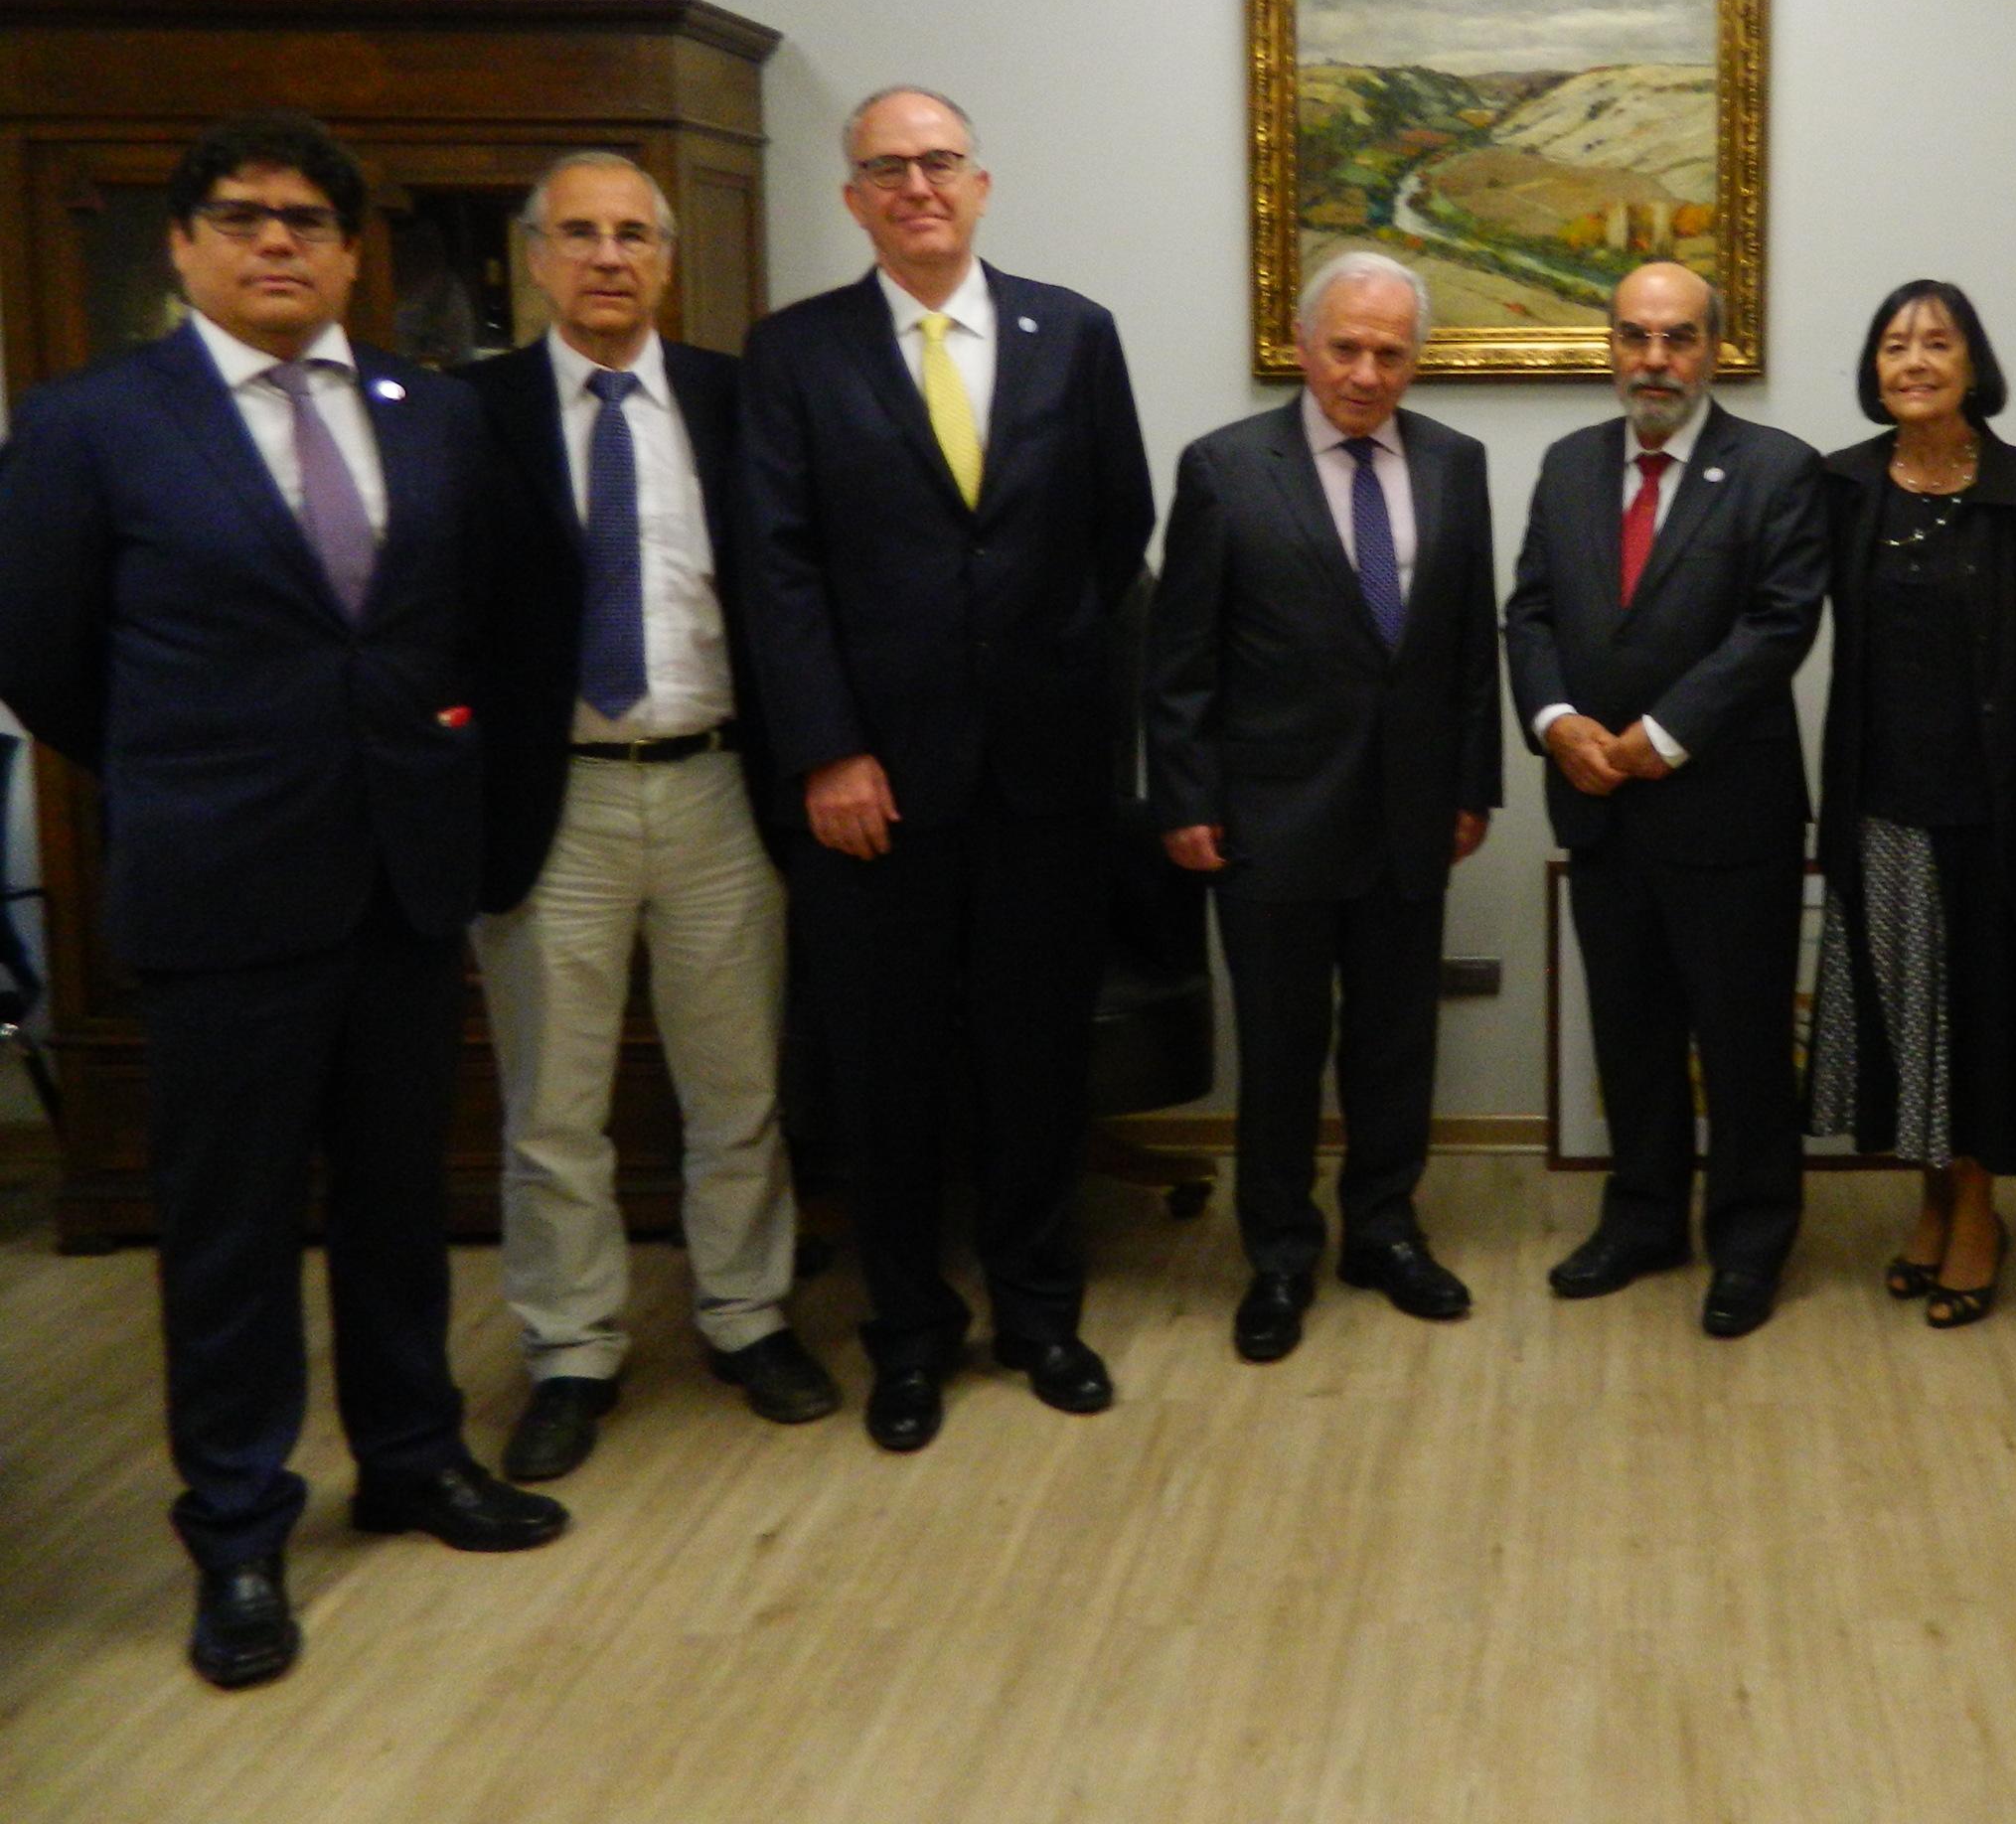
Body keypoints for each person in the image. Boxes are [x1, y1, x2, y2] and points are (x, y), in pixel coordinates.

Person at [0, 112, 563, 1692]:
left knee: (399, 1193)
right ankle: (239, 1528)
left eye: (311, 222)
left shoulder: (427, 415)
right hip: (224, 888)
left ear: (347, 249)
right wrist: (203, 770)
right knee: (233, 1228)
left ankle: (411, 1456)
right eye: (244, 217)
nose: (279, 244)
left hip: (400, 880)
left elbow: (477, 631)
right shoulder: (93, 421)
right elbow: (43, 657)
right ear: (182, 244)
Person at [739, 86, 1155, 1450]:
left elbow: (1115, 534)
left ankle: (1041, 1313)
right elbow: (778, 569)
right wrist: (830, 748)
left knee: (1038, 1061)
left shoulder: (1072, 334)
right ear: (855, 200)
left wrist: (1080, 713)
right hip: (873, 794)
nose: (917, 186)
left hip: (1043, 783)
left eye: (938, 163)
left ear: (980, 185)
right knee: (888, 1073)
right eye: (886, 169)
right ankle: (909, 1336)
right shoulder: (795, 354)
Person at [463, 153, 835, 1483]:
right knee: (554, 1107)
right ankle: (572, 1351)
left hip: (719, 784)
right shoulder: (474, 413)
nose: (608, 257)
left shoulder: (740, 404)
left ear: (668, 261)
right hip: (549, 799)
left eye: (633, 235)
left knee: (734, 1087)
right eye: (580, 234)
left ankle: (746, 1318)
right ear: (537, 257)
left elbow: (797, 583)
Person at [1147, 250, 1503, 1364]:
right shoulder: (1223, 468)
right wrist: (1187, 795)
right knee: (1284, 1048)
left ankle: (1384, 1232)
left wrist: (1474, 783)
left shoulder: (1457, 463)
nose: (1365, 372)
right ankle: (1282, 1256)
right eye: (1345, 348)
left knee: (1396, 1042)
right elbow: (1181, 659)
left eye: (1390, 353)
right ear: (1303, 347)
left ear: (1416, 359)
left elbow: (1462, 647)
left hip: (1410, 811)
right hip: (1269, 814)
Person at [1505, 260, 1825, 1338]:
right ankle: (1643, 1219)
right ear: (1609, 348)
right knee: (1629, 1032)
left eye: (1678, 337)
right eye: (1636, 337)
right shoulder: (1568, 465)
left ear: (1713, 350)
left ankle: (1750, 1239)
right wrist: (1559, 726)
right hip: (1599, 803)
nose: (1655, 359)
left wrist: (1662, 737)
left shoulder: (1777, 469)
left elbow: (1778, 626)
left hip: (1727, 811)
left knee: (1739, 1042)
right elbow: (1533, 612)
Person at [1804, 280, 2016, 1328]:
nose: (1914, 360)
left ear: (1973, 364)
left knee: (1980, 1019)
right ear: (1874, 372)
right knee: (1907, 1017)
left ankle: (1978, 1212)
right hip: (1879, 800)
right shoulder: (1838, 487)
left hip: (1994, 808)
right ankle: (1929, 1200)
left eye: (1937, 342)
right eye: (1893, 345)